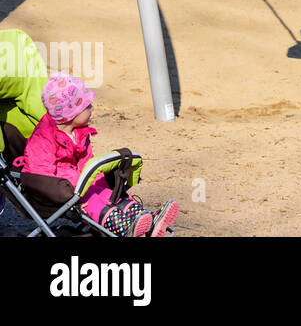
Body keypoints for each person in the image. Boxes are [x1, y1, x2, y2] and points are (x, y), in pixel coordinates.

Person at [16, 74, 179, 237]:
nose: (92, 109)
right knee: (94, 202)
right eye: (87, 106)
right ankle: (127, 229)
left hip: (81, 182)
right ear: (71, 114)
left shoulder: (80, 133)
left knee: (110, 195)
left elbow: (87, 162)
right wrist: (71, 190)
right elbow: (42, 174)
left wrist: (98, 184)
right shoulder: (43, 137)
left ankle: (149, 221)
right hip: (57, 188)